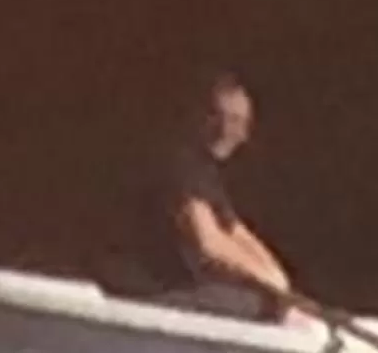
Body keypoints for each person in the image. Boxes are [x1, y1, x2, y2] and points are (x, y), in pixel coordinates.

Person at [126, 71, 297, 319]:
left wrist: (279, 280)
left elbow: (236, 232)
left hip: (180, 290)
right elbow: (209, 244)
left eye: (241, 123)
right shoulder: (181, 165)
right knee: (260, 305)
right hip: (155, 293)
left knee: (270, 302)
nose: (235, 133)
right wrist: (266, 282)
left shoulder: (205, 173)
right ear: (204, 117)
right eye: (228, 119)